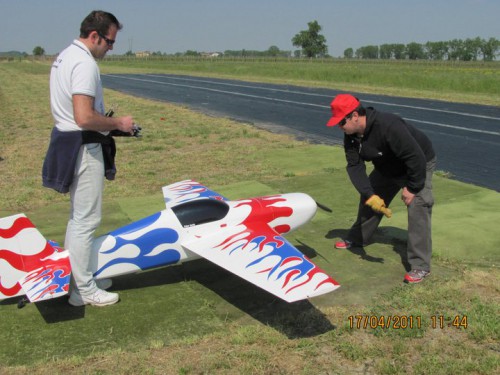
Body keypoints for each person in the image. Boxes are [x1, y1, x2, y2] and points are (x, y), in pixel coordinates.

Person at [42, 10, 135, 306]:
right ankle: (82, 291)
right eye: (109, 42)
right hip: (83, 147)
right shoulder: (84, 63)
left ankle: (80, 277)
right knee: (86, 220)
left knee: (78, 220)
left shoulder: (65, 56)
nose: (110, 48)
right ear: (94, 36)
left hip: (69, 143)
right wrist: (118, 124)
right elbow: (83, 117)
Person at [326, 94, 436, 284]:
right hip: (386, 166)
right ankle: (358, 238)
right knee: (370, 199)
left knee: (418, 205)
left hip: (418, 164)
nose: (339, 127)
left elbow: (415, 157)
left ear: (354, 116)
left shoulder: (389, 125)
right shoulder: (351, 135)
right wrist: (369, 195)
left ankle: (420, 266)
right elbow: (354, 166)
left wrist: (412, 187)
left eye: (341, 122)